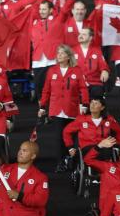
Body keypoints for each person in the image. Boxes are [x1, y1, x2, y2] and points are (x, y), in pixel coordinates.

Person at [37, 44, 89, 172]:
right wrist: (43, 106)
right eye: (58, 53)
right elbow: (46, 90)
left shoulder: (76, 71)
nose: (58, 55)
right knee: (59, 137)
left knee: (72, 137)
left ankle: (71, 160)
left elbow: (83, 89)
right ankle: (60, 162)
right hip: (56, 109)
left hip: (72, 109)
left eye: (62, 53)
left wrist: (85, 104)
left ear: (68, 56)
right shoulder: (52, 71)